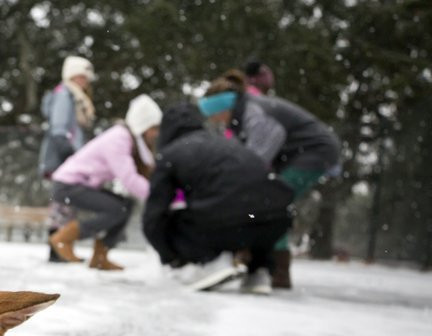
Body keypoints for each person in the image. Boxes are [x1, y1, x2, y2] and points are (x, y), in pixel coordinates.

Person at [198, 69, 340, 288]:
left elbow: (259, 153)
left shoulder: (253, 112)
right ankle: (262, 261)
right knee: (268, 202)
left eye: (213, 114)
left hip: (314, 152)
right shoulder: (241, 114)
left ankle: (276, 270)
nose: (213, 120)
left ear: (223, 107)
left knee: (272, 204)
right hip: (301, 154)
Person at [143, 102, 294, 293]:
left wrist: (171, 257)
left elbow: (153, 217)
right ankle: (259, 271)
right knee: (255, 211)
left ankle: (200, 266)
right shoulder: (228, 144)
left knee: (173, 219)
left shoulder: (171, 154)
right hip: (276, 219)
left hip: (225, 223)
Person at [49, 94, 162, 271]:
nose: (156, 133)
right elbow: (129, 179)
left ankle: (100, 256)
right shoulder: (119, 138)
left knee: (125, 205)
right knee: (117, 209)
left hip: (79, 185)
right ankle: (64, 238)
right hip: (68, 185)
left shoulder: (130, 140)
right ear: (142, 125)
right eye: (154, 128)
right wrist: (158, 197)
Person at [39, 56, 96, 263]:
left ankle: (61, 247)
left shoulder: (75, 97)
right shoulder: (64, 95)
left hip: (68, 157)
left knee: (65, 205)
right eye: (81, 76)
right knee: (62, 204)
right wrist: (72, 156)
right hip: (63, 157)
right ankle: (57, 249)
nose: (85, 81)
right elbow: (59, 130)